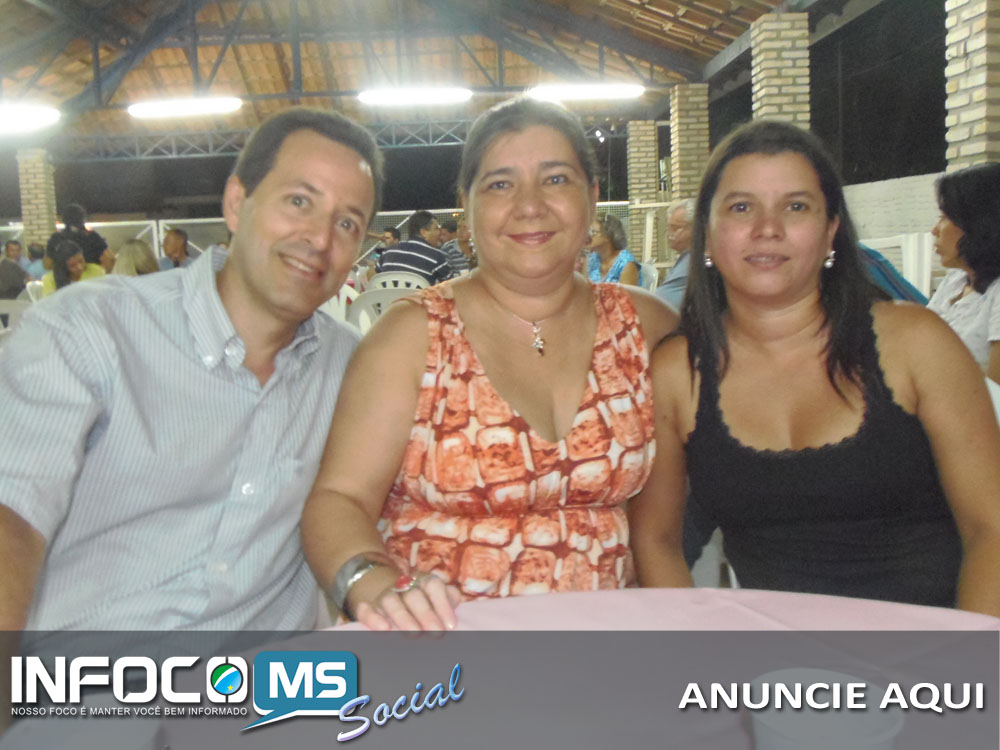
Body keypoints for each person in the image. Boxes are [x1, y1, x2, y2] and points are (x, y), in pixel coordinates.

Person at [0, 107, 382, 649]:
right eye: (299, 201)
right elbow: (12, 510)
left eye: (347, 224)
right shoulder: (90, 329)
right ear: (236, 202)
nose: (320, 239)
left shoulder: (355, 368)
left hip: (269, 685)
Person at [302, 97, 679, 631]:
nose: (530, 205)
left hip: (604, 648)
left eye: (556, 179)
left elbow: (664, 528)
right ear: (467, 206)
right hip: (437, 648)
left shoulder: (645, 326)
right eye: (500, 184)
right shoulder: (412, 336)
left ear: (593, 197)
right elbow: (338, 500)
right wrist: (374, 585)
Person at [629, 120, 1000, 615]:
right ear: (707, 236)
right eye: (741, 207)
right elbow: (655, 540)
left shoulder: (915, 343)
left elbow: (991, 529)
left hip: (937, 644)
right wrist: (692, 651)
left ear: (831, 232)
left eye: (796, 206)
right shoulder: (679, 372)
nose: (768, 228)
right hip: (772, 656)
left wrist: (970, 653)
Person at [926, 162, 1000, 384]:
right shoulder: (957, 280)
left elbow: (995, 390)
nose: (935, 230)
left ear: (979, 224)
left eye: (944, 217)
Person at [374, 210, 454, 285]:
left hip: (388, 296)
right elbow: (451, 285)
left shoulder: (388, 251)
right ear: (423, 232)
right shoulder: (436, 257)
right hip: (418, 296)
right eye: (436, 228)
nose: (439, 233)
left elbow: (372, 274)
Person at [655, 200, 694, 309]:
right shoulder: (685, 258)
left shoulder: (695, 261)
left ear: (695, 228)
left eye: (675, 228)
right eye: (669, 228)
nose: (669, 234)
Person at [586, 213, 642, 286]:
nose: (588, 236)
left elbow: (627, 293)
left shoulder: (626, 264)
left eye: (593, 232)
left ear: (608, 235)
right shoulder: (592, 259)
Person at [40, 239, 105, 296]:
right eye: (73, 265)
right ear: (63, 266)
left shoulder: (96, 270)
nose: (79, 267)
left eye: (81, 261)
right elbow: (49, 302)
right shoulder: (50, 279)